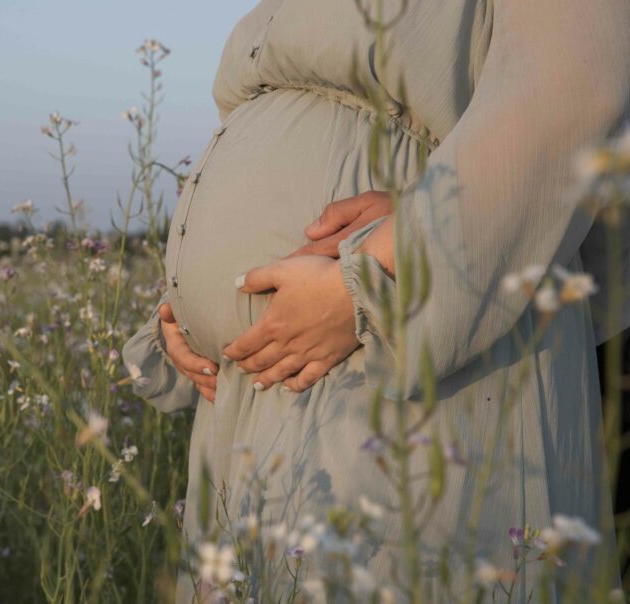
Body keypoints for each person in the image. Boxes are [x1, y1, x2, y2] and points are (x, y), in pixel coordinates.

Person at [122, 0, 630, 601]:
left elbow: (571, 84)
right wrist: (191, 298)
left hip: (408, 345)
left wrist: (397, 259)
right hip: (258, 389)